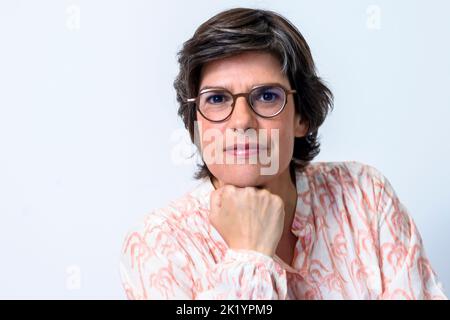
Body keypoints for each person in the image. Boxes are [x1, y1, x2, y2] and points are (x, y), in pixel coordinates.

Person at [119, 7, 447, 299]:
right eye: (217, 99)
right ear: (196, 124)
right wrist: (250, 258)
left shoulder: (363, 196)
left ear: (301, 117)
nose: (241, 121)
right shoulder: (158, 245)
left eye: (266, 96)